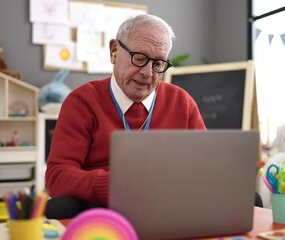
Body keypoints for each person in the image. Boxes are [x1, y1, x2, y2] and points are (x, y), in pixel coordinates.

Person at [45, 14, 207, 219]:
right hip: (101, 207)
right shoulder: (82, 101)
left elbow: (203, 167)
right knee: (58, 207)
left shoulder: (181, 102)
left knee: (250, 198)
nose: (148, 73)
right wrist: (118, 185)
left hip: (167, 203)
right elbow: (57, 176)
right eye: (139, 58)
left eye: (158, 64)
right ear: (114, 51)